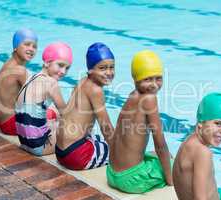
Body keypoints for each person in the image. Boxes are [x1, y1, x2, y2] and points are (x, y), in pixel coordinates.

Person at [107, 50, 173, 194]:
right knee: (175, 164)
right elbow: (160, 144)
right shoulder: (149, 99)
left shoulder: (132, 96)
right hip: (129, 181)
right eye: (148, 79)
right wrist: (170, 180)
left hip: (111, 174)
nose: (154, 85)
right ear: (135, 79)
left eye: (158, 78)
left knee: (160, 157)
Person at [55, 42, 114, 170]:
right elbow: (106, 128)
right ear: (91, 70)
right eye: (103, 68)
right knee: (127, 151)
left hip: (61, 151)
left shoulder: (82, 81)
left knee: (108, 140)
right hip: (76, 155)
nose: (109, 72)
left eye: (111, 67)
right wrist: (121, 154)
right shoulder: (95, 90)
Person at [15, 42, 72, 156]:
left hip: (24, 142)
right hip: (38, 146)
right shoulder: (51, 83)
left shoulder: (31, 77)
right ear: (47, 62)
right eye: (60, 65)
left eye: (67, 68)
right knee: (80, 129)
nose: (63, 72)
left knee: (54, 119)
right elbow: (68, 115)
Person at [0, 28, 37, 135]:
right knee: (53, 114)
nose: (31, 49)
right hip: (10, 124)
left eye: (34, 46)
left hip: (3, 122)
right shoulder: (20, 70)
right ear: (15, 47)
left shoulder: (9, 63)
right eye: (27, 44)